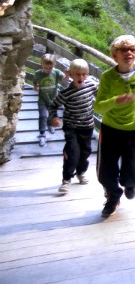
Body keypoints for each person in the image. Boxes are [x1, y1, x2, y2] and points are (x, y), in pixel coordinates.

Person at [94, 35, 135, 217]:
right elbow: (98, 106)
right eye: (124, 50)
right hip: (110, 130)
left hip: (134, 130)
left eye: (133, 50)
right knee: (105, 172)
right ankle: (113, 196)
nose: (129, 53)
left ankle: (130, 184)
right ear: (115, 55)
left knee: (131, 170)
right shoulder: (108, 77)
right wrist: (116, 100)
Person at [49, 59, 98, 194]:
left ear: (87, 74)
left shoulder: (91, 85)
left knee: (85, 151)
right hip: (72, 127)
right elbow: (53, 105)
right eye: (77, 74)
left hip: (87, 126)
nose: (81, 77)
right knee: (72, 153)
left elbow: (101, 97)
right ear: (70, 74)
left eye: (84, 74)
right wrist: (54, 117)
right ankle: (66, 179)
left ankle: (81, 172)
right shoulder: (66, 93)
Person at [32, 53, 67, 147]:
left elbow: (64, 80)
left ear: (54, 65)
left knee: (52, 115)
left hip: (53, 99)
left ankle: (50, 125)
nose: (48, 69)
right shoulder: (38, 73)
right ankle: (42, 134)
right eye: (46, 67)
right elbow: (35, 82)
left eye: (50, 67)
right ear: (42, 65)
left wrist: (67, 74)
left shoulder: (55, 72)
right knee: (43, 116)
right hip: (42, 99)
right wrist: (36, 87)